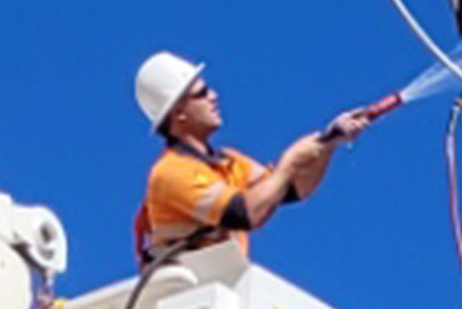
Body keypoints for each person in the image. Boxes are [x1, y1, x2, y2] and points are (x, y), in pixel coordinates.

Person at [128, 51, 373, 266]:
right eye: (202, 93)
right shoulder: (170, 173)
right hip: (190, 296)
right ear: (179, 113)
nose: (213, 96)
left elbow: (292, 189)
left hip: (219, 289)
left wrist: (328, 142)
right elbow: (245, 213)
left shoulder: (229, 161)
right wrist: (290, 162)